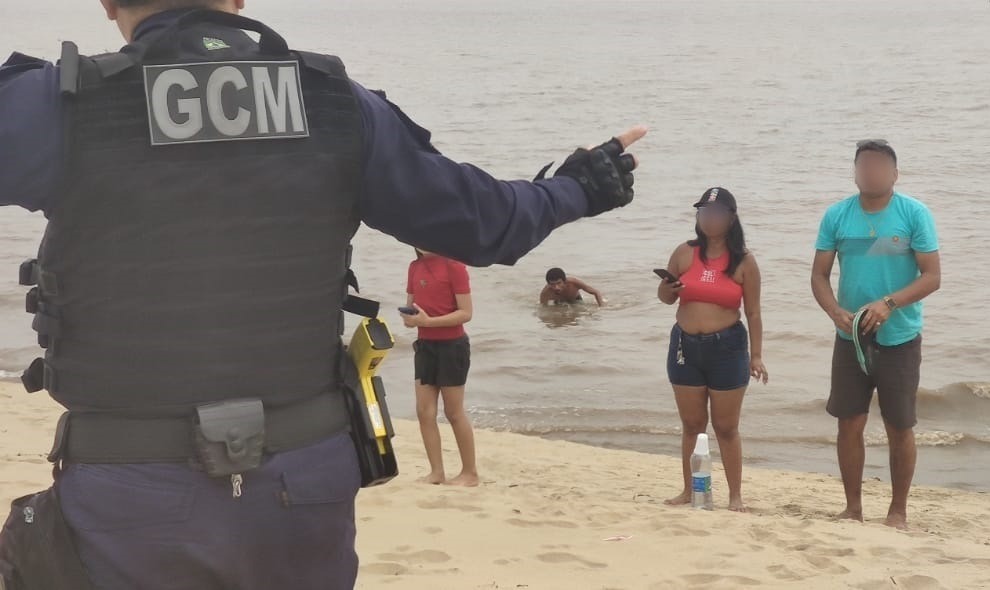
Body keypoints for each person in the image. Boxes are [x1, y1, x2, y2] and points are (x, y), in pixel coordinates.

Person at [0, 1, 647, 588]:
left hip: (131, 495)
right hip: (301, 491)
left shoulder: (64, 105)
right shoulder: (335, 105)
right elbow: (488, 223)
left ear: (110, 3)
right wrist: (582, 186)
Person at [811, 140, 940, 530]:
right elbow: (819, 275)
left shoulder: (914, 214)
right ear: (855, 172)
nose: (871, 173)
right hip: (850, 336)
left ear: (894, 174)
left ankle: (897, 511)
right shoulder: (837, 215)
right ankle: (853, 508)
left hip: (899, 336)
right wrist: (835, 312)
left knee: (900, 425)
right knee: (849, 422)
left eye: (880, 167)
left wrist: (889, 304)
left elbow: (932, 277)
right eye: (864, 166)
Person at [657, 187, 768, 513]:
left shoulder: (744, 261)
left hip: (728, 347)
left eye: (717, 213)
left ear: (731, 218)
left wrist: (757, 355)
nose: (710, 219)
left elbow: (755, 313)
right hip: (685, 346)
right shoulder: (684, 252)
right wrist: (666, 288)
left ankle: (735, 496)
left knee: (726, 427)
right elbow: (666, 299)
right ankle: (689, 490)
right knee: (692, 424)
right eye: (704, 212)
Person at [402, 249, 477, 487]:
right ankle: (436, 472)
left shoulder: (454, 264)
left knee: (454, 412)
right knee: (424, 411)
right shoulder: (414, 267)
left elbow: (466, 313)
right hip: (425, 346)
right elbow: (411, 307)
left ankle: (470, 473)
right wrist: (410, 319)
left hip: (452, 346)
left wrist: (428, 322)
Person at [540, 267, 604, 306]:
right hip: (558, 303)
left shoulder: (573, 283)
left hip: (576, 300)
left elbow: (596, 292)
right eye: (552, 284)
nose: (556, 287)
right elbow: (543, 308)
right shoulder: (545, 293)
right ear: (548, 284)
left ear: (564, 281)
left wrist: (601, 307)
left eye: (559, 283)